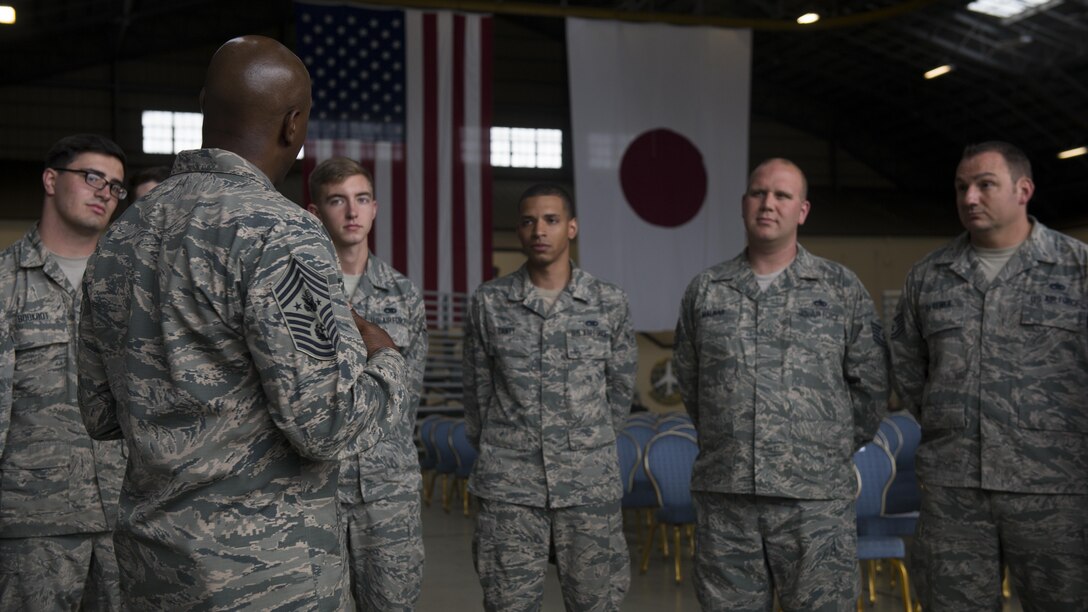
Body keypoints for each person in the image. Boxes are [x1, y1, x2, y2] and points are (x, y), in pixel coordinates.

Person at [76, 35, 407, 610]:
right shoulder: (280, 232)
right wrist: (385, 358)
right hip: (268, 578)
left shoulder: (123, 235)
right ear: (293, 125)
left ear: (206, 106)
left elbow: (100, 414)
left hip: (153, 571)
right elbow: (330, 424)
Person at [673, 158, 888, 611]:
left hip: (814, 503)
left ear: (802, 210)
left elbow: (870, 386)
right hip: (727, 499)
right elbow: (693, 386)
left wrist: (821, 450)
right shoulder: (707, 290)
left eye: (782, 195)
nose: (768, 203)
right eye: (758, 193)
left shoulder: (839, 288)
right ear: (743, 204)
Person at [890, 141, 1088, 611]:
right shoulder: (930, 277)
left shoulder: (1077, 269)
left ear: (1024, 190)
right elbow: (909, 368)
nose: (970, 198)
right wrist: (955, 422)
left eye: (985, 185)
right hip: (954, 493)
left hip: (1054, 490)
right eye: (962, 187)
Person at [462, 183, 637, 612]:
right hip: (510, 491)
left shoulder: (608, 302)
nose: (539, 230)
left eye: (551, 220)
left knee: (597, 604)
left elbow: (620, 392)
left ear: (572, 228)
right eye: (528, 221)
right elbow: (477, 391)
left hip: (587, 489)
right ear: (519, 232)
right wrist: (509, 448)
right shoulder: (490, 302)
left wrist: (584, 447)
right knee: (509, 604)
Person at [0, 134, 127, 610]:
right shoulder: (5, 283)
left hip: (125, 519)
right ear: (51, 180)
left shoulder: (130, 288)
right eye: (93, 177)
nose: (105, 193)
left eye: (116, 187)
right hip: (34, 526)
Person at [307, 156, 427, 611]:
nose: (352, 212)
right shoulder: (295, 291)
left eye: (361, 200)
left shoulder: (403, 294)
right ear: (316, 213)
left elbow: (406, 396)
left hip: (387, 489)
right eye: (338, 201)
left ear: (374, 209)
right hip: (317, 487)